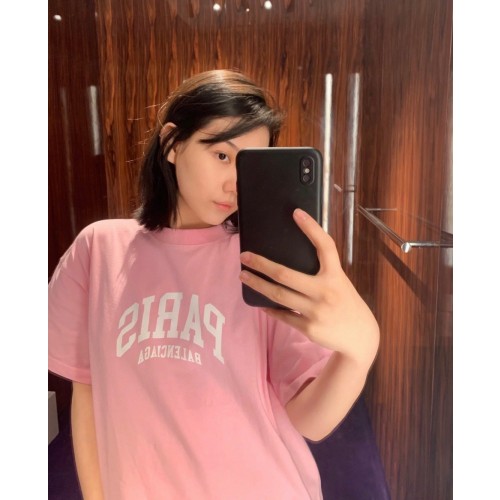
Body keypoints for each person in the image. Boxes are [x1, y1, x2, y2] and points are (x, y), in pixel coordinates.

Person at [48, 69, 380, 500]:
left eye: (247, 165)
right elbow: (86, 394)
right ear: (172, 143)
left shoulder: (264, 263)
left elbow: (310, 421)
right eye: (222, 155)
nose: (233, 184)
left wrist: (361, 348)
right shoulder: (98, 249)